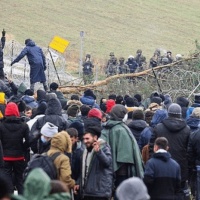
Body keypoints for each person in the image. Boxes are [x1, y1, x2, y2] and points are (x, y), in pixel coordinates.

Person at [149, 103, 190, 199]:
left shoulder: (158, 127)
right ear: (180, 114)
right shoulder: (187, 129)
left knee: (161, 192)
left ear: (168, 113)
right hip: (181, 166)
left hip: (160, 166)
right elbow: (189, 150)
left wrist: (152, 162)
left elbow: (151, 147)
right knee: (179, 192)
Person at [101, 105, 144, 192]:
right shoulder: (121, 130)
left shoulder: (106, 127)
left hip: (108, 169)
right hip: (121, 172)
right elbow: (126, 155)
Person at [74, 118, 113, 200]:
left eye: (87, 139)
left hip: (99, 193)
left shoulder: (104, 148)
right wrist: (78, 183)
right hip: (87, 192)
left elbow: (107, 163)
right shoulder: (85, 150)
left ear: (95, 137)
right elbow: (83, 170)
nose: (85, 141)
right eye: (84, 139)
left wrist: (99, 152)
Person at [0, 102, 29, 194]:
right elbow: (28, 140)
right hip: (19, 156)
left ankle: (9, 195)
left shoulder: (1, 125)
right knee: (20, 179)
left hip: (5, 157)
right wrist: (23, 148)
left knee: (6, 179)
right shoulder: (24, 125)